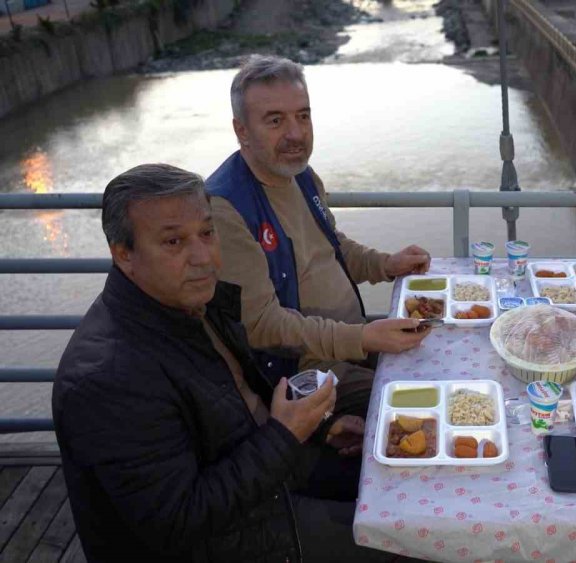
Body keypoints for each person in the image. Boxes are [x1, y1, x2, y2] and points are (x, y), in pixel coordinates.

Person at [52, 164, 387, 562]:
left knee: (401, 477)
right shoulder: (106, 378)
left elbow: (235, 415)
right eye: (174, 242)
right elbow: (180, 521)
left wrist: (317, 428)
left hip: (270, 483)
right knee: (399, 538)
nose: (203, 258)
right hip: (229, 540)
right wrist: (285, 435)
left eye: (207, 234)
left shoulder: (196, 304)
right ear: (124, 254)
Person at [207, 54, 432, 423]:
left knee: (437, 358)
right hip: (306, 371)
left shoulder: (301, 175)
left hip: (350, 343)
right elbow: (262, 325)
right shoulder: (226, 208)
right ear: (241, 130)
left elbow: (332, 246)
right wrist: (362, 339)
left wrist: (384, 264)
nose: (296, 134)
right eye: (276, 120)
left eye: (303, 116)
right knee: (414, 409)